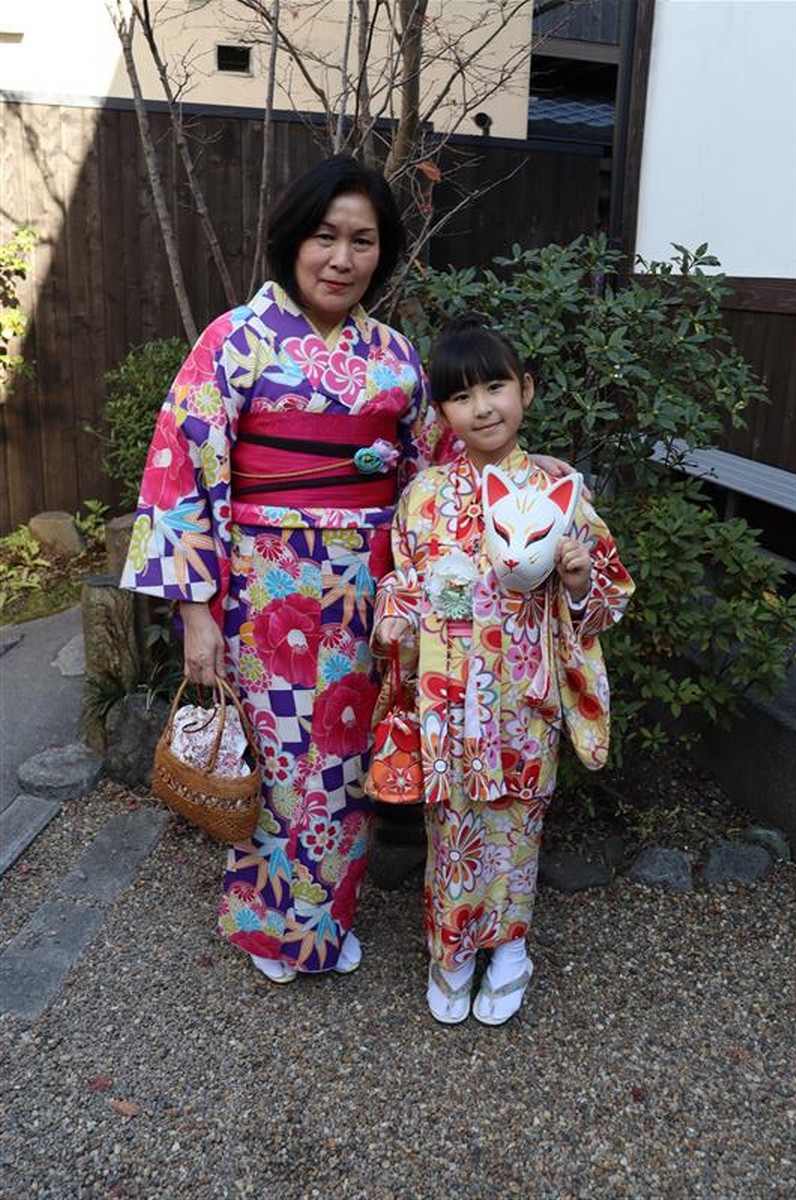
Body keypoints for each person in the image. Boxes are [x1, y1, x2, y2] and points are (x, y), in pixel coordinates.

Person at [121, 157, 571, 984]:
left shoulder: (394, 358)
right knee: (285, 765)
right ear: (294, 240)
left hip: (373, 594)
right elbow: (180, 471)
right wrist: (194, 613)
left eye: (363, 241)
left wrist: (518, 477)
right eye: (325, 237)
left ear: (381, 253)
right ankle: (277, 930)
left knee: (350, 762)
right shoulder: (234, 341)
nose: (341, 258)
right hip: (266, 593)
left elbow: (441, 468)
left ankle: (322, 922)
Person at [373, 316, 634, 1025]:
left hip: (522, 693)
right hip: (446, 692)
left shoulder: (559, 491)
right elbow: (403, 576)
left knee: (519, 820)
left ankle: (511, 946)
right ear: (441, 412)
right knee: (450, 824)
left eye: (496, 388)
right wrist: (394, 616)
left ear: (526, 390)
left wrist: (578, 583)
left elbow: (609, 596)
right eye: (461, 396)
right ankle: (452, 949)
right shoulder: (424, 495)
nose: (483, 408)